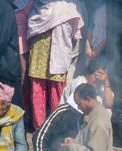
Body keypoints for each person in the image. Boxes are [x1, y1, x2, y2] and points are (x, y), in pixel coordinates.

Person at [25, 1, 84, 131]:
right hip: (40, 52)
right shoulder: (39, 8)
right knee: (38, 90)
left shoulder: (69, 8)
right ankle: (40, 129)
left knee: (57, 92)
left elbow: (75, 35)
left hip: (58, 55)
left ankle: (56, 129)